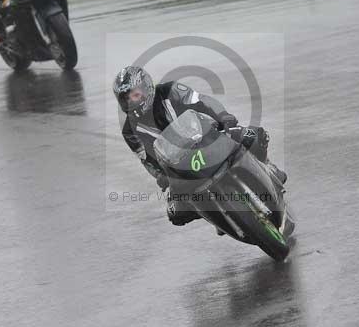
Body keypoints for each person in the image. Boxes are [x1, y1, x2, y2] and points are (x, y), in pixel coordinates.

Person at [113, 65, 287, 226]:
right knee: (176, 214)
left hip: (209, 137)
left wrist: (223, 116)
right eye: (127, 99)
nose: (132, 101)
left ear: (146, 88)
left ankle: (268, 166)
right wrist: (162, 177)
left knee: (255, 136)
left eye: (135, 95)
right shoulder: (129, 131)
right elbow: (146, 160)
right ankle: (218, 217)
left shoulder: (170, 90)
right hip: (179, 166)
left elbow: (203, 101)